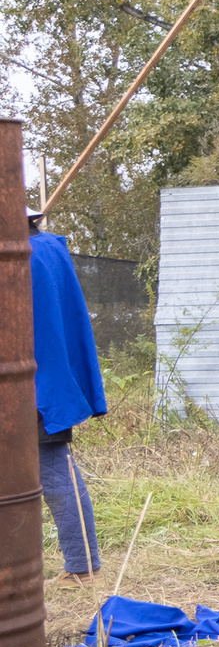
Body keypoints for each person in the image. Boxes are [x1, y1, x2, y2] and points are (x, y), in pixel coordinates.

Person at [29, 215, 106, 580]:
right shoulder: (47, 248)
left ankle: (81, 567)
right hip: (46, 377)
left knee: (55, 474)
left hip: (34, 384)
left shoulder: (22, 255)